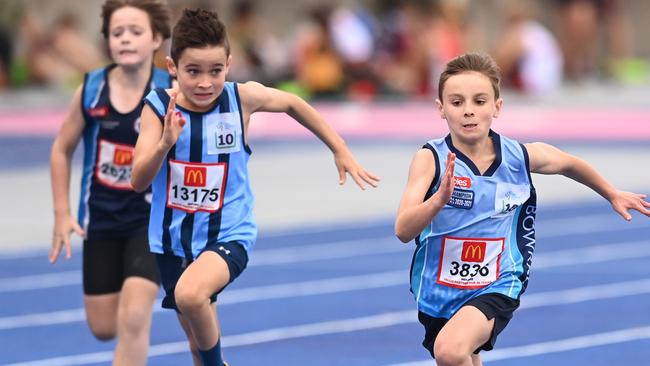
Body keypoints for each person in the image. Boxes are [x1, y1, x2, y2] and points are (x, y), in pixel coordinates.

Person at [131, 8, 379, 366]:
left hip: (228, 234)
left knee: (189, 295)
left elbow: (293, 102)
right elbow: (138, 180)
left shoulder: (240, 99)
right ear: (172, 67)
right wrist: (164, 145)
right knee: (196, 342)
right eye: (193, 72)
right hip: (172, 241)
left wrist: (338, 148)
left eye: (215, 71)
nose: (205, 82)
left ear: (229, 64)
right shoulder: (157, 109)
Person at [394, 53, 650, 366]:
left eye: (479, 101)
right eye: (457, 102)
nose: (469, 111)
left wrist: (611, 193)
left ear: (497, 107)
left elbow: (569, 163)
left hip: (499, 280)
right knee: (464, 357)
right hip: (438, 286)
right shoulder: (430, 158)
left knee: (449, 351)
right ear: (441, 109)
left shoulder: (520, 156)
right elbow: (403, 230)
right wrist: (438, 200)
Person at [48, 1, 172, 365]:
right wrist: (61, 213)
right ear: (107, 40)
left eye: (136, 31)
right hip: (101, 220)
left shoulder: (170, 89)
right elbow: (61, 149)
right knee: (104, 327)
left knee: (134, 315)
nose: (126, 39)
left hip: (150, 221)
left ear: (157, 40)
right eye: (118, 33)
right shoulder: (91, 89)